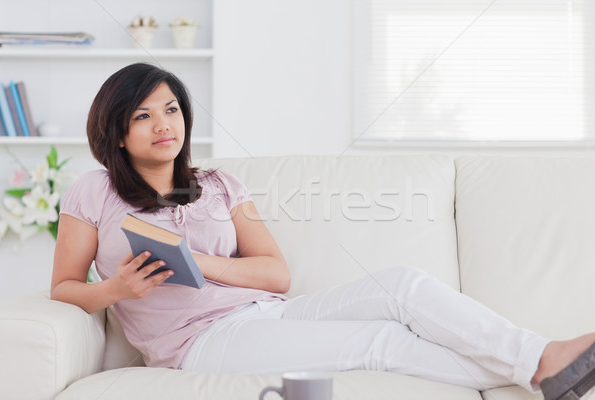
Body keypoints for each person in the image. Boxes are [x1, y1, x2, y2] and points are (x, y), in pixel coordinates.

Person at [50, 62, 595, 400]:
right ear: (117, 131)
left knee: (403, 285)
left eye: (171, 109)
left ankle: (541, 360)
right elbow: (64, 288)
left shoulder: (218, 184)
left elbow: (276, 275)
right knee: (380, 341)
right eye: (143, 115)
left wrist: (200, 262)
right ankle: (540, 365)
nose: (164, 124)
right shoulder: (92, 192)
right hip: (200, 344)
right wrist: (116, 291)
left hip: (263, 310)